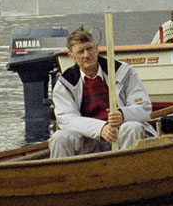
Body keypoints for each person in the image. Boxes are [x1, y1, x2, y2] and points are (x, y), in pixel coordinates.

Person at [50, 27, 158, 158]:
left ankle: (127, 173)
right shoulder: (65, 83)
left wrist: (123, 115)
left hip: (119, 135)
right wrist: (100, 128)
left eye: (89, 49)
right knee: (59, 138)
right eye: (80, 51)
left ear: (96, 49)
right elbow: (67, 119)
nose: (86, 55)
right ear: (72, 57)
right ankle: (62, 177)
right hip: (88, 141)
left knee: (132, 127)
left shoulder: (123, 72)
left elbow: (144, 108)